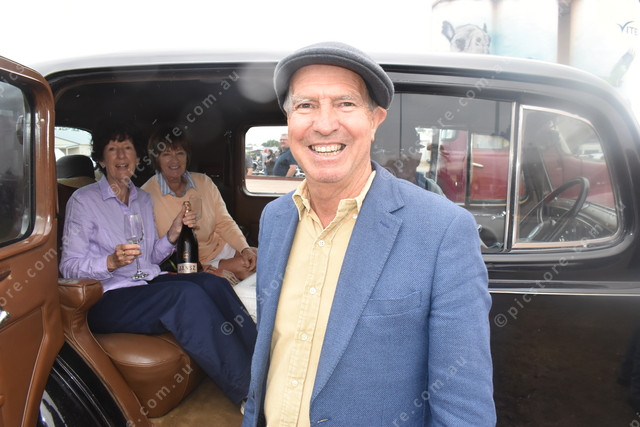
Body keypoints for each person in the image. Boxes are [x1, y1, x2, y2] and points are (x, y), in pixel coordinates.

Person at [242, 42, 496, 426]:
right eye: (306, 105)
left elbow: (463, 409)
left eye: (345, 103)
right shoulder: (276, 219)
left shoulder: (443, 231)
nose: (324, 124)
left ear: (375, 120)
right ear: (289, 120)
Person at [59, 123, 256, 406]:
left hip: (145, 282)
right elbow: (69, 267)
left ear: (138, 158)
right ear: (101, 159)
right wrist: (110, 262)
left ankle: (263, 365)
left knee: (211, 283)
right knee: (185, 295)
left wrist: (173, 234)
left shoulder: (142, 199)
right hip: (107, 296)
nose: (121, 156)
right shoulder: (84, 200)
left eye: (128, 149)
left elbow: (151, 257)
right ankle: (248, 394)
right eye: (113, 149)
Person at [142, 126, 257, 284]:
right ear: (156, 158)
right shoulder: (145, 196)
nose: (174, 160)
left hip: (223, 248)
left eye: (180, 153)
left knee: (264, 258)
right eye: (166, 154)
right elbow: (155, 252)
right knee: (246, 268)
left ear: (187, 156)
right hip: (192, 263)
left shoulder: (204, 182)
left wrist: (245, 249)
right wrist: (204, 270)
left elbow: (224, 223)